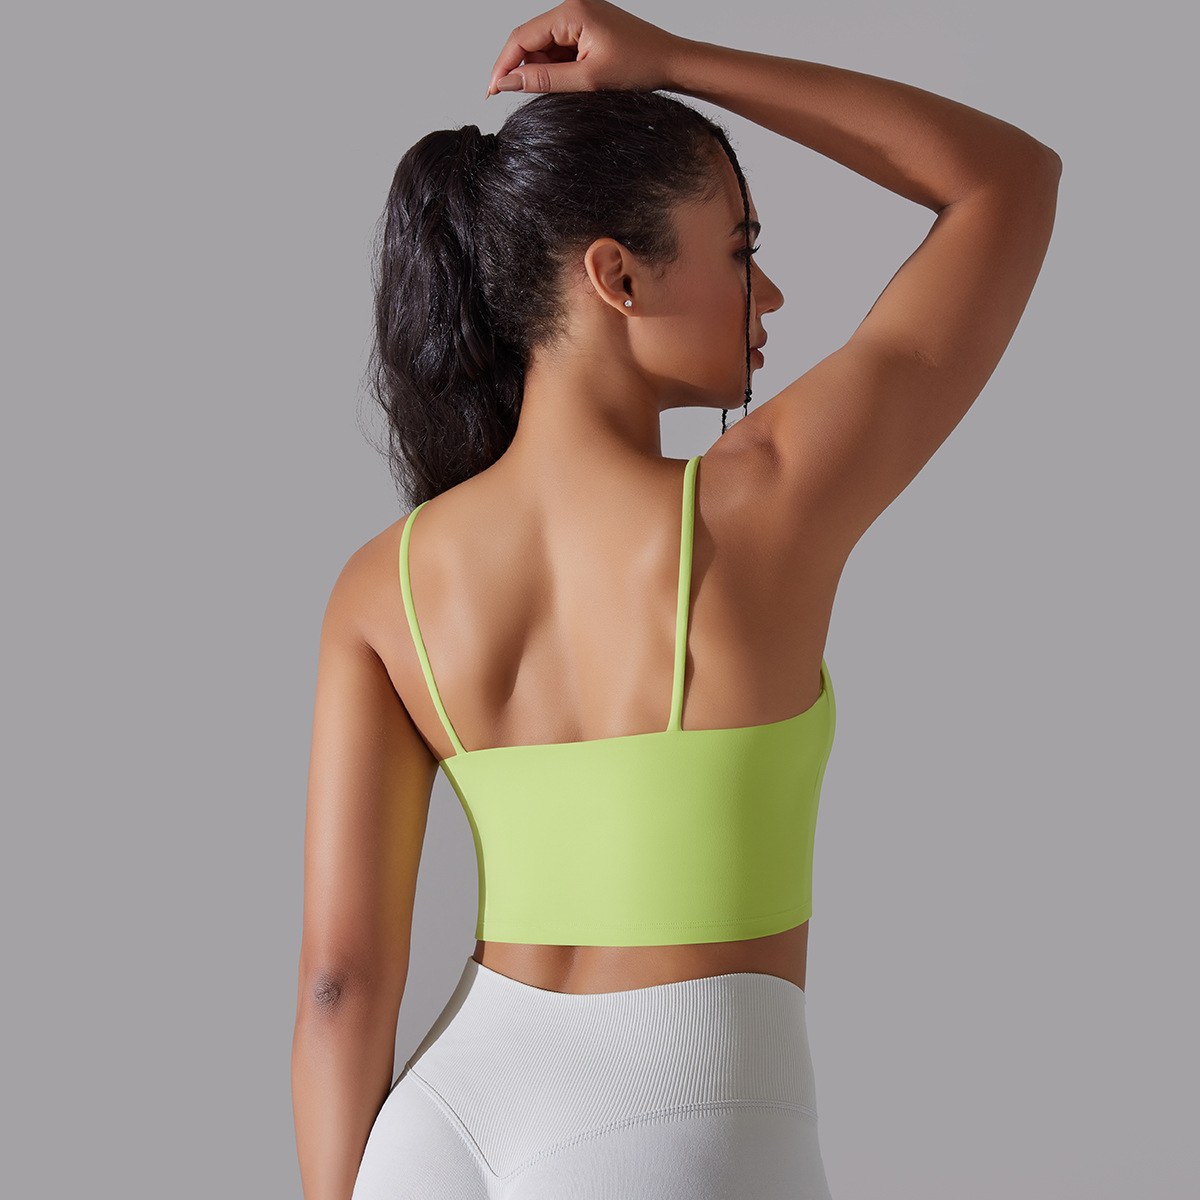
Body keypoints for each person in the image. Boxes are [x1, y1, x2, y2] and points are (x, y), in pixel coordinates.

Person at [291, 2, 1062, 1196]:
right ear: (617, 275)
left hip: (441, 1121)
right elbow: (1005, 181)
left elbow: (340, 984)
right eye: (742, 249)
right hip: (678, 1118)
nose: (772, 295)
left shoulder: (382, 583)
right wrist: (676, 61)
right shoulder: (764, 507)